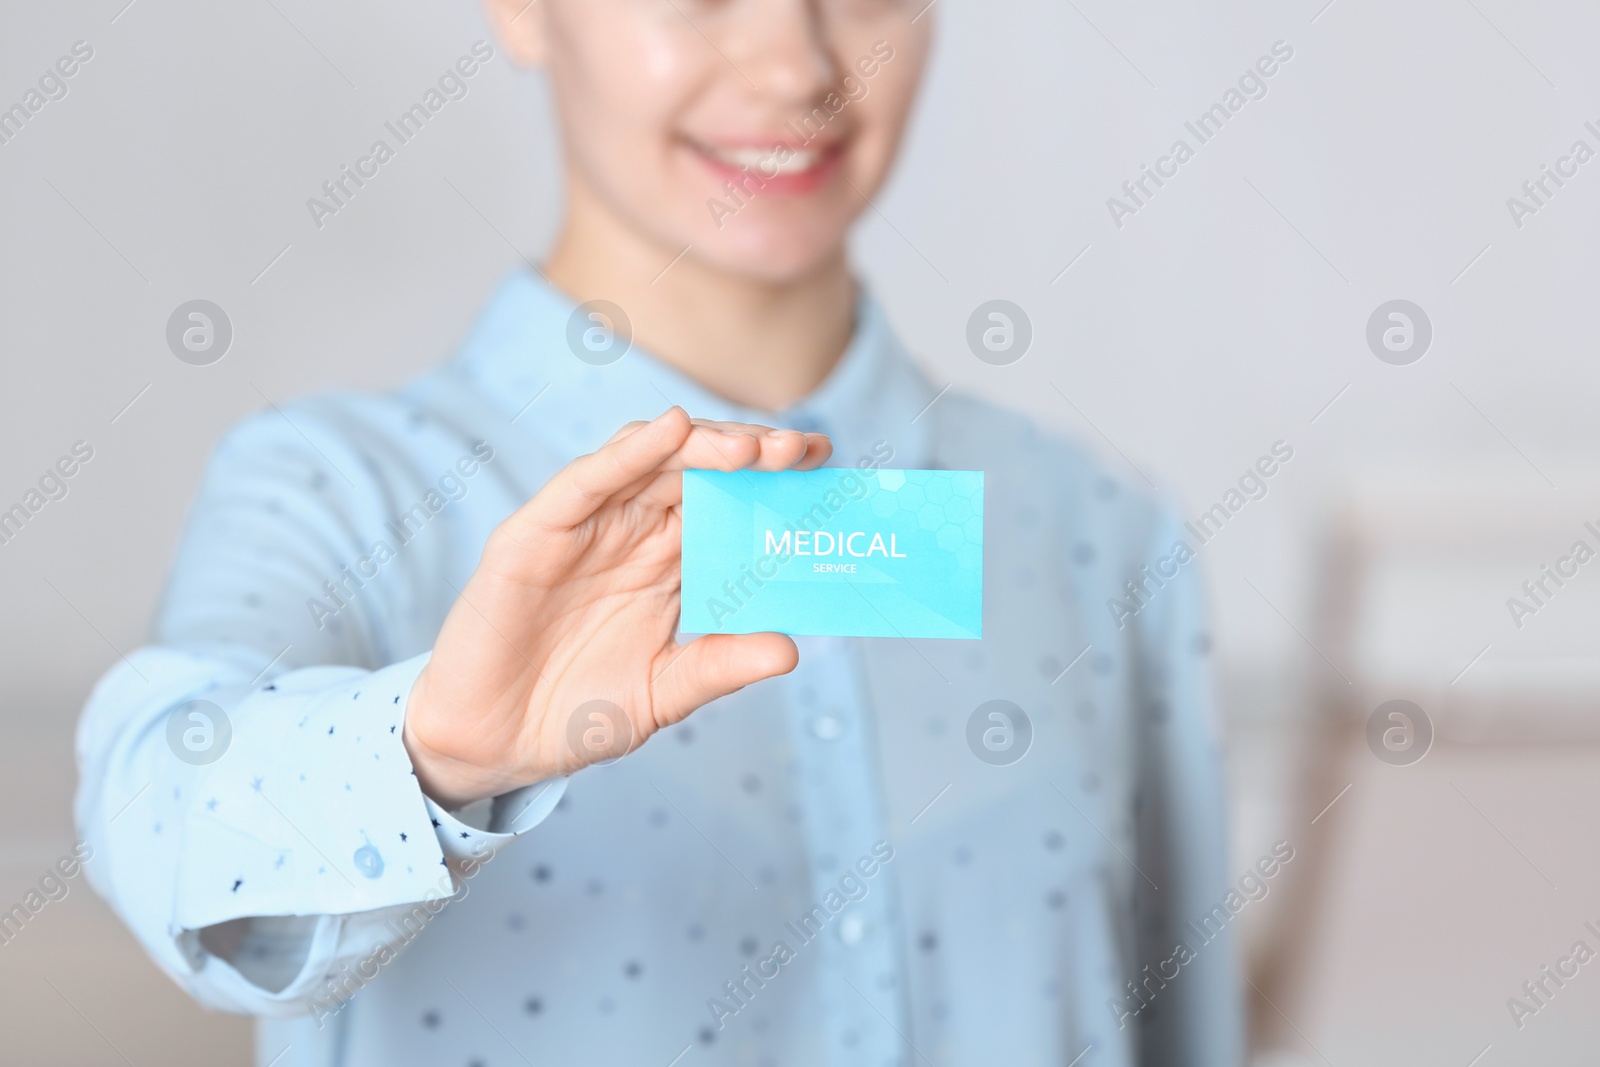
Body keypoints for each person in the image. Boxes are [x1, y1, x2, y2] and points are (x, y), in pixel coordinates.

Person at [76, 2, 1241, 1064]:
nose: (796, 64)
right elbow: (155, 815)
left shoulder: (1100, 530)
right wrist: (429, 756)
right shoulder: (339, 493)